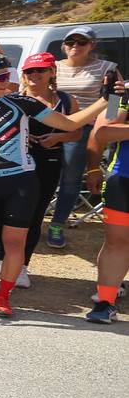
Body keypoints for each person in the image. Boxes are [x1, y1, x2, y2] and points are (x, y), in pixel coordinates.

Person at [0, 53, 108, 316]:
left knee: (14, 242)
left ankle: (3, 298)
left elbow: (70, 124)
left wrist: (105, 99)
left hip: (21, 182)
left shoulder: (22, 103)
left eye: (7, 75)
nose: (5, 81)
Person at [0, 53, 76, 288]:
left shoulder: (66, 101)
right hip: (16, 162)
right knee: (2, 211)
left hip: (49, 161)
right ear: (23, 75)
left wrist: (56, 136)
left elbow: (77, 132)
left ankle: (22, 266)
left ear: (52, 72)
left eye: (40, 70)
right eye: (29, 71)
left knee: (35, 214)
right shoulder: (13, 99)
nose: (34, 75)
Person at [47, 27, 118, 247]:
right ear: (63, 45)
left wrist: (107, 125)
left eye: (81, 42)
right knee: (41, 175)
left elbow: (114, 98)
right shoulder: (53, 67)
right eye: (70, 42)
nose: (75, 46)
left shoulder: (106, 68)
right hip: (51, 124)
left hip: (85, 129)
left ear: (92, 45)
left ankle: (57, 225)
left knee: (71, 179)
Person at [87, 103, 129, 322]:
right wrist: (93, 169)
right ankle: (105, 302)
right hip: (122, 180)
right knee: (116, 243)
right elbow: (102, 131)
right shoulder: (118, 94)